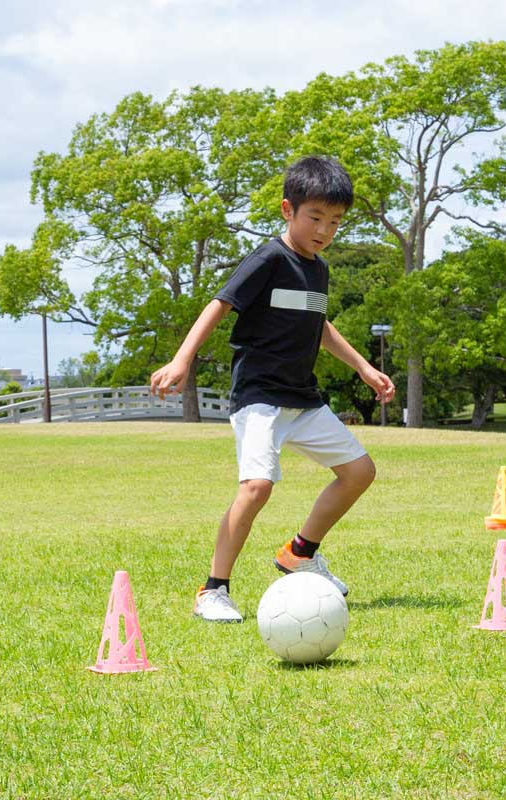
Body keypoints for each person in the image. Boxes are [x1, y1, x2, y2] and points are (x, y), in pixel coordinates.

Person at [150, 155, 395, 623]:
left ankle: (300, 553)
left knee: (359, 471)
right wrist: (182, 359)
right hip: (259, 396)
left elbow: (318, 324)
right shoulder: (268, 258)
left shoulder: (317, 269)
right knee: (257, 486)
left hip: (302, 398)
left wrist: (363, 365)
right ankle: (213, 590)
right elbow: (219, 305)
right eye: (315, 217)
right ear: (288, 210)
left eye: (335, 221)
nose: (324, 230)